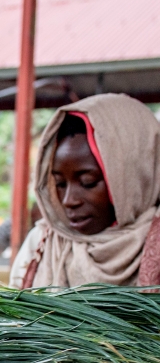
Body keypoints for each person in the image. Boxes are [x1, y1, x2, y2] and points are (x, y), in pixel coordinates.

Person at [11, 94, 160, 288]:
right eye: (60, 183)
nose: (68, 201)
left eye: (87, 182)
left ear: (137, 176)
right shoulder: (40, 244)